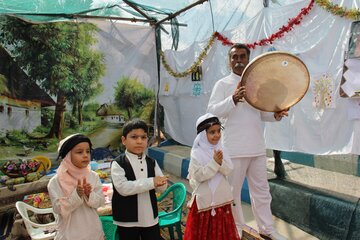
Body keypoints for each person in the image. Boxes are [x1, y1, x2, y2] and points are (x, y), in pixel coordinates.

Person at [207, 43, 288, 240]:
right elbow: (212, 111)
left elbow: (260, 114)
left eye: (242, 57)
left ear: (248, 59)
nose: (238, 61)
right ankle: (236, 229)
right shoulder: (223, 84)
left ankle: (267, 229)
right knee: (232, 194)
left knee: (261, 191)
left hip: (257, 148)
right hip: (234, 148)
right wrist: (233, 99)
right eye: (234, 57)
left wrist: (275, 115)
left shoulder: (256, 84)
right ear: (229, 61)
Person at [184, 113, 240, 240]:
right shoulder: (196, 153)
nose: (217, 135)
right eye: (212, 132)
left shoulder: (222, 149)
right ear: (203, 134)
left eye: (219, 131)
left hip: (221, 201)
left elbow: (228, 170)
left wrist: (219, 163)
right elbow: (199, 176)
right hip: (203, 203)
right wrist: (214, 163)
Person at [111, 119, 168, 240]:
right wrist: (152, 182)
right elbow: (123, 188)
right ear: (123, 140)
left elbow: (161, 188)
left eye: (143, 137)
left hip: (149, 217)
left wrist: (162, 184)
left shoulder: (152, 162)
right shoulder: (118, 163)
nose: (139, 141)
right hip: (126, 219)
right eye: (134, 137)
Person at [47, 133, 105, 240]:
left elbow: (100, 202)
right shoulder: (56, 181)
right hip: (69, 234)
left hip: (93, 232)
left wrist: (89, 194)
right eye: (79, 152)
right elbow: (58, 208)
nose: (85, 155)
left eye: (88, 151)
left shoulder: (93, 176)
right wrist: (77, 195)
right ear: (68, 155)